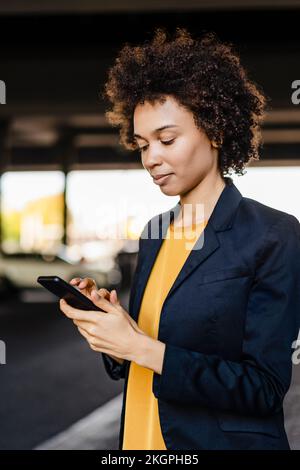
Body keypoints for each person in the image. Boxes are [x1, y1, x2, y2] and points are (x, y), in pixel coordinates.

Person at [59, 27, 300, 450]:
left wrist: (140, 346)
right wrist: (115, 336)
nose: (151, 158)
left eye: (167, 139)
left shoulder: (274, 235)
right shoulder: (154, 234)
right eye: (141, 144)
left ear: (217, 130)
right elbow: (144, 351)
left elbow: (263, 388)